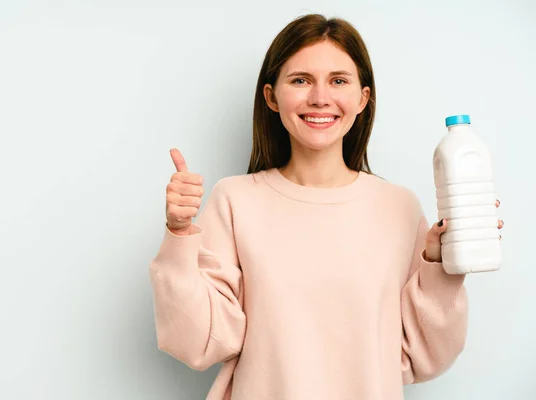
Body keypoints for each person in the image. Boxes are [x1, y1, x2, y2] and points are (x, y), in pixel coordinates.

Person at [148, 13, 503, 400]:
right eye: (301, 80)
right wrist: (180, 234)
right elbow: (199, 341)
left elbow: (424, 355)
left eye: (338, 81)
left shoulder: (398, 207)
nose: (320, 97)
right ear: (271, 96)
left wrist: (441, 267)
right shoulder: (235, 200)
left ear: (362, 98)